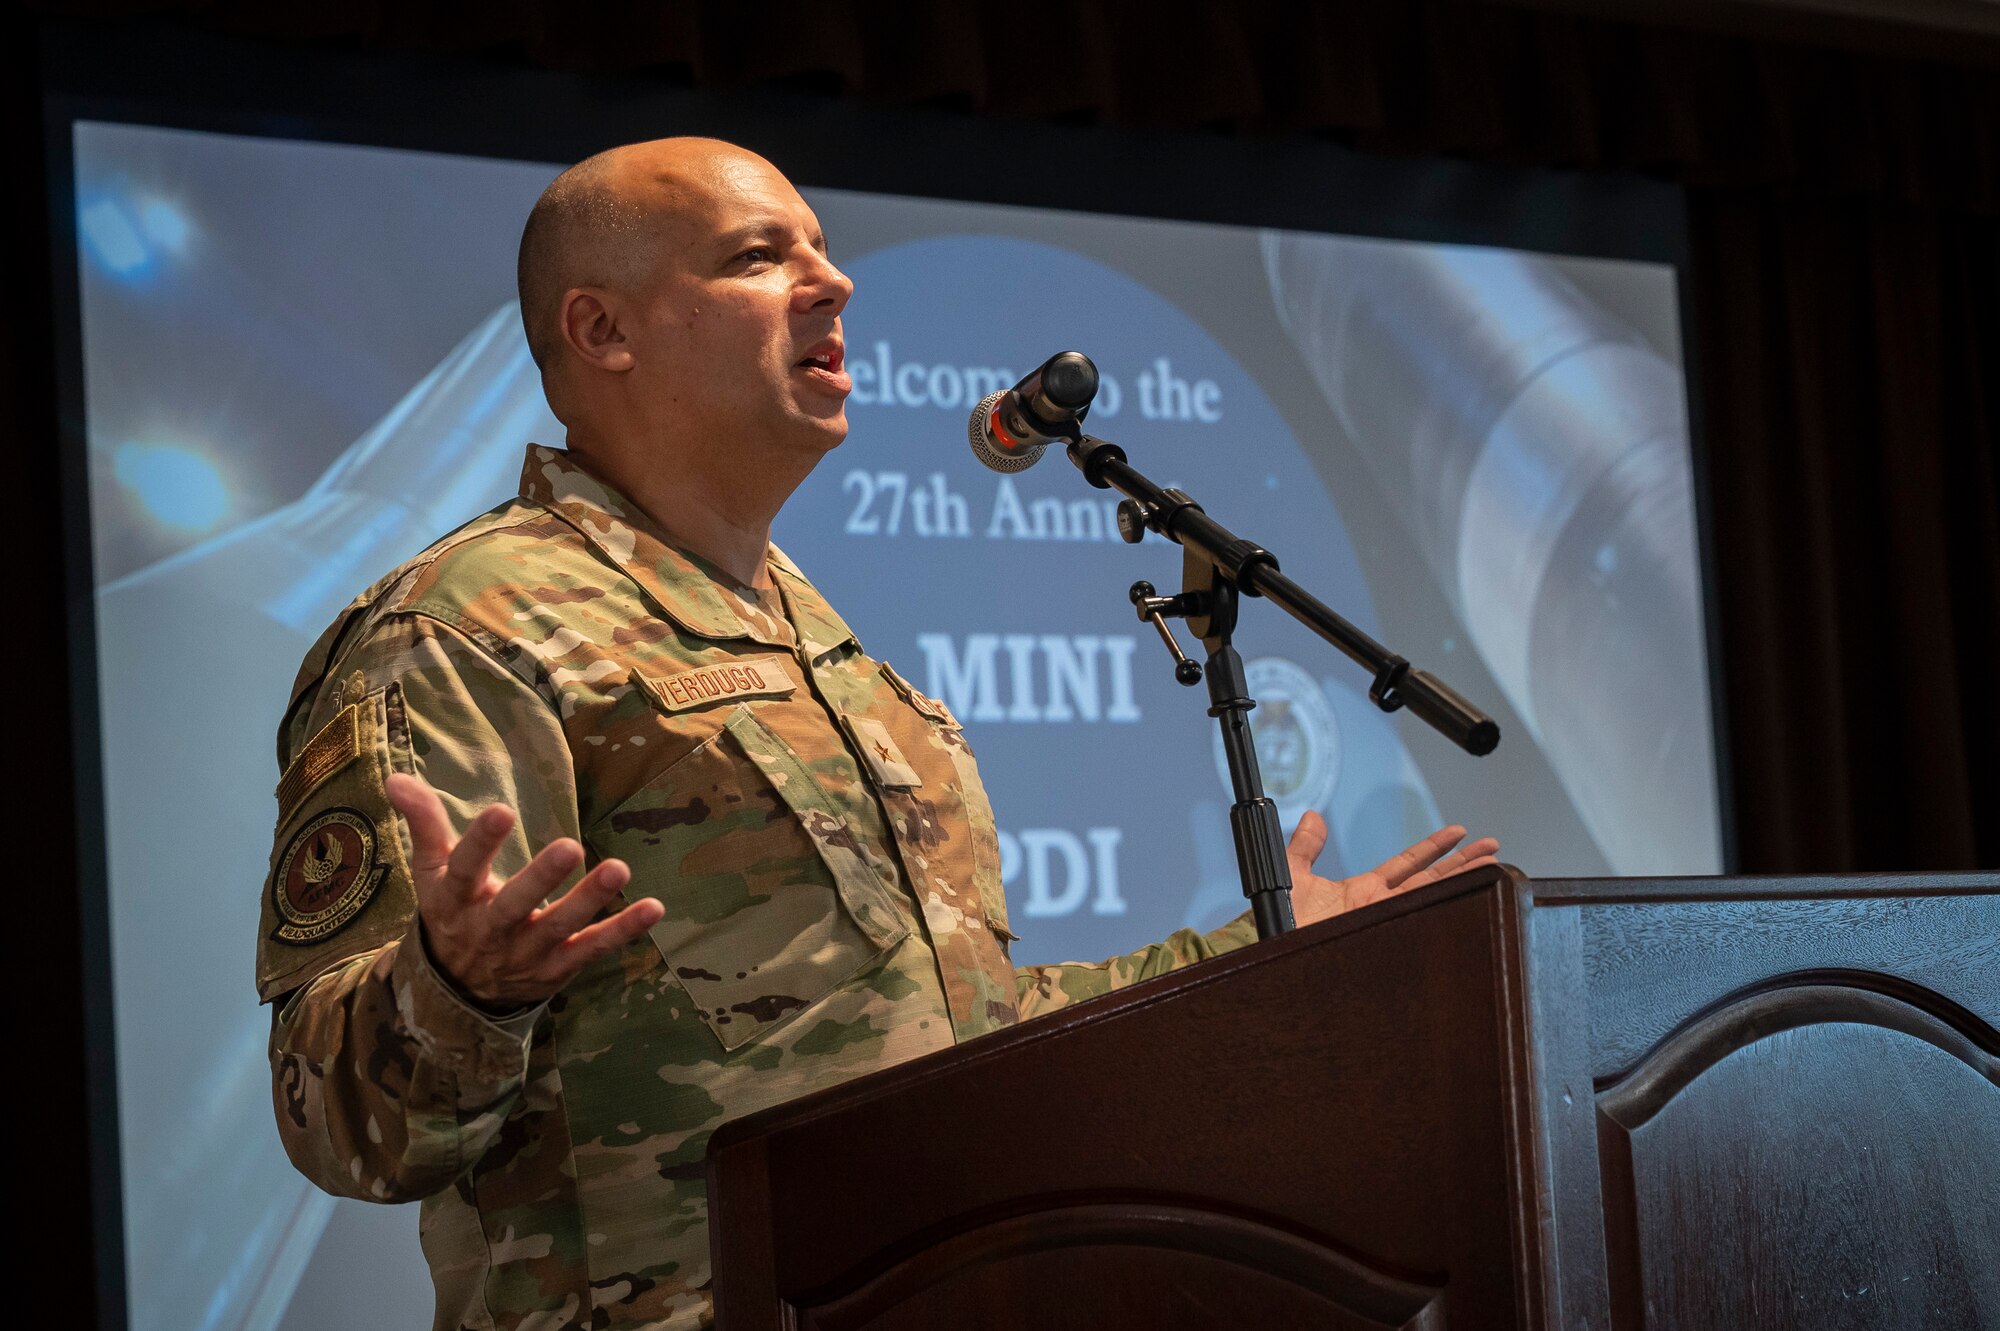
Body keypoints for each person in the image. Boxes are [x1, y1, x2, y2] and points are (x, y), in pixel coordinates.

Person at [258, 137, 1500, 1331]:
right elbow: (335, 1123)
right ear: (602, 328)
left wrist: (1257, 957)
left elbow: (960, 1038)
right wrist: (456, 984)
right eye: (758, 255)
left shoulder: (824, 646)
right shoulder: (466, 626)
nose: (832, 278)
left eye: (822, 246)